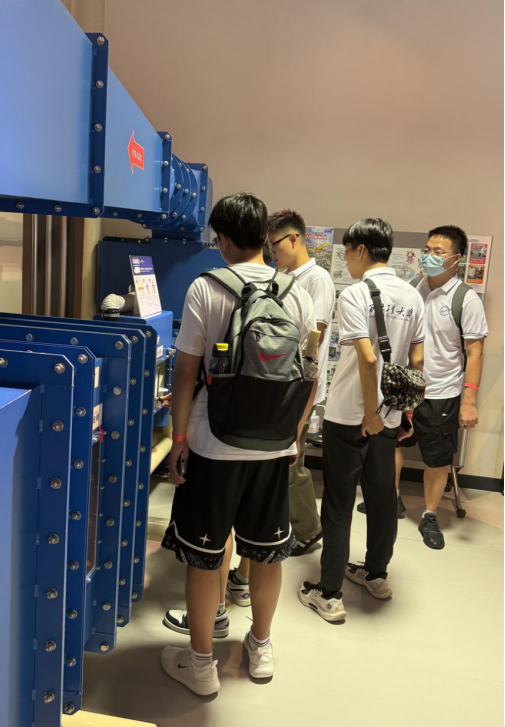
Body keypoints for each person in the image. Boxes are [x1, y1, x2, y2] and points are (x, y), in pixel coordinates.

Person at [161, 193, 318, 696]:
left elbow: (186, 373)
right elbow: (310, 372)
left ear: (224, 239)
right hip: (273, 445)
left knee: (205, 557)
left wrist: (179, 439)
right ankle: (261, 647)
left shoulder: (206, 287)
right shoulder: (296, 291)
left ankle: (201, 665)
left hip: (214, 443)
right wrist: (293, 437)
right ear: (264, 239)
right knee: (267, 554)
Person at [299, 219, 425, 623]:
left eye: (348, 251)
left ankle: (329, 593)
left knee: (338, 502)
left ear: (360, 250)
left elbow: (368, 360)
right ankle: (376, 574)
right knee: (382, 497)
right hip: (389, 415)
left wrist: (369, 414)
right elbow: (417, 361)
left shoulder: (355, 293)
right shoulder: (413, 295)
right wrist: (401, 412)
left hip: (350, 415)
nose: (348, 260)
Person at [358, 226, 488, 549]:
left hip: (441, 392)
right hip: (406, 386)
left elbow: (475, 353)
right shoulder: (415, 288)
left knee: (437, 459)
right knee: (394, 445)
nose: (429, 256)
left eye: (437, 252)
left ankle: (430, 515)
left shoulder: (465, 299)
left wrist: (469, 400)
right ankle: (393, 498)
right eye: (427, 250)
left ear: (456, 259)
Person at [268, 209, 335, 554]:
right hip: (280, 381)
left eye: (275, 244)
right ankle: (287, 524)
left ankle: (308, 531)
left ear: (294, 238)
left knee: (292, 461)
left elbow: (314, 337)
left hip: (300, 386)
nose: (272, 252)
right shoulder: (284, 276)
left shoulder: (316, 278)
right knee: (281, 460)